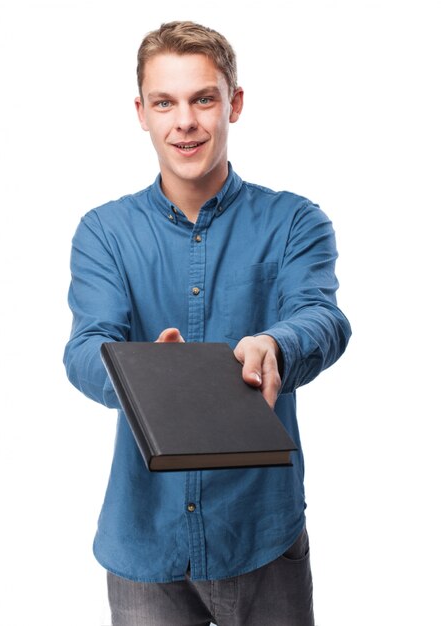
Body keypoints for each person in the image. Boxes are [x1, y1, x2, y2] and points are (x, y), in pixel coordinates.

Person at [63, 20, 351, 626]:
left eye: (203, 99)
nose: (184, 121)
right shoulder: (104, 233)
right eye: (165, 102)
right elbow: (86, 348)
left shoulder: (296, 222)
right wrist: (146, 375)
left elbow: (322, 318)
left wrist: (275, 343)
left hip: (262, 536)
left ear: (233, 104)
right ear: (141, 113)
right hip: (145, 544)